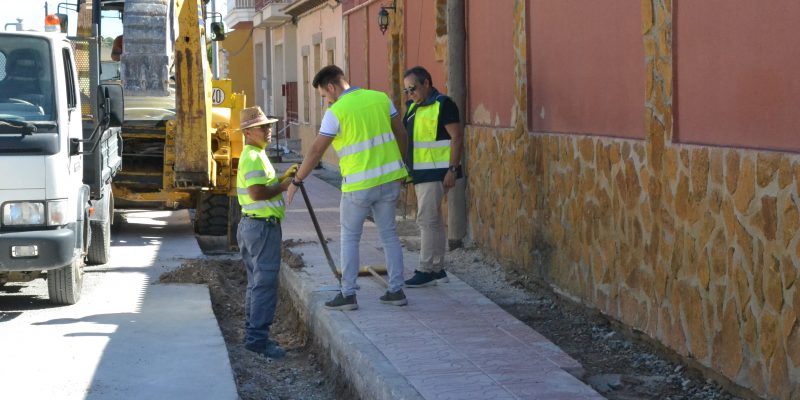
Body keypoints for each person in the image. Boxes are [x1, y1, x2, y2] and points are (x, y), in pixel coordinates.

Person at [286, 65, 409, 311]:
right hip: (390, 181)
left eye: (323, 95)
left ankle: (348, 293)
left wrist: (297, 181)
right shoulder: (381, 98)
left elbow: (316, 150)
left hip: (359, 186)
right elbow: (401, 133)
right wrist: (402, 166)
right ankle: (396, 290)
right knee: (389, 235)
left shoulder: (337, 112)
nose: (325, 100)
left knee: (350, 238)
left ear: (331, 87)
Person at [236, 105, 297, 359]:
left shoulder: (256, 154)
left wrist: (282, 177)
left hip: (253, 226)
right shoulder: (252, 156)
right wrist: (284, 186)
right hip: (261, 228)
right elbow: (257, 192)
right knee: (264, 285)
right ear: (249, 132)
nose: (268, 130)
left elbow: (261, 186)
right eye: (263, 127)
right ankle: (258, 340)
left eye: (269, 126)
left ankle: (253, 334)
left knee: (255, 283)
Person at [401, 66, 464, 288]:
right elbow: (409, 143)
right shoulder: (412, 108)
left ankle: (425, 269)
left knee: (425, 220)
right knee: (433, 221)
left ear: (426, 83)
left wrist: (453, 169)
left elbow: (457, 138)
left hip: (436, 173)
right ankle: (437, 269)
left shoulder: (443, 105)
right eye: (407, 90)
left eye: (413, 88)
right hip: (419, 173)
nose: (410, 94)